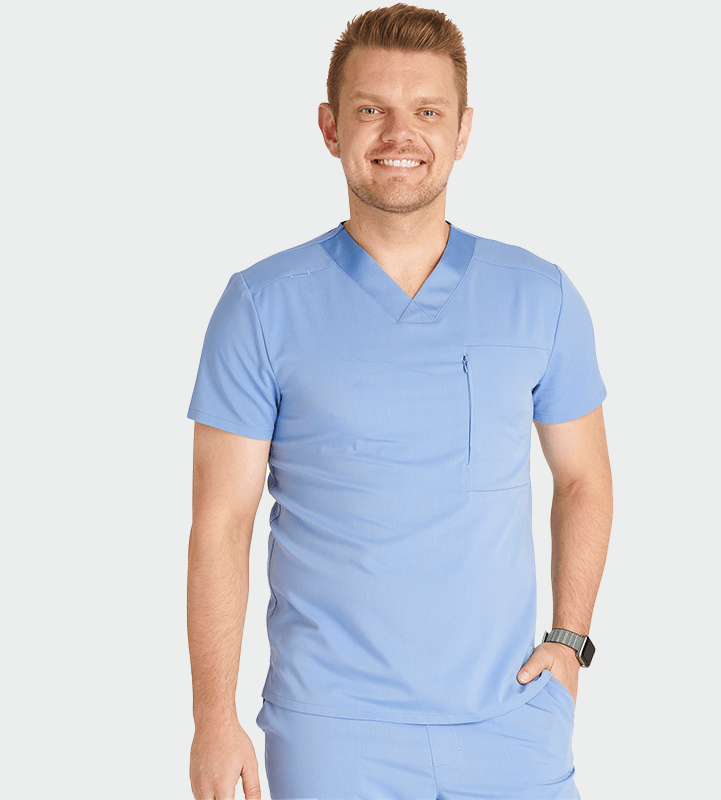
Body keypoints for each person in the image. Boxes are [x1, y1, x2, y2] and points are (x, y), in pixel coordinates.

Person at [186, 4, 612, 799]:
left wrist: (570, 640)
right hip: (332, 732)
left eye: (428, 112)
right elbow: (221, 524)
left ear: (464, 129)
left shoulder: (541, 296)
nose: (399, 135)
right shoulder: (261, 305)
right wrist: (214, 718)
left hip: (512, 718)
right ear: (330, 126)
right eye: (371, 110)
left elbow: (584, 478)